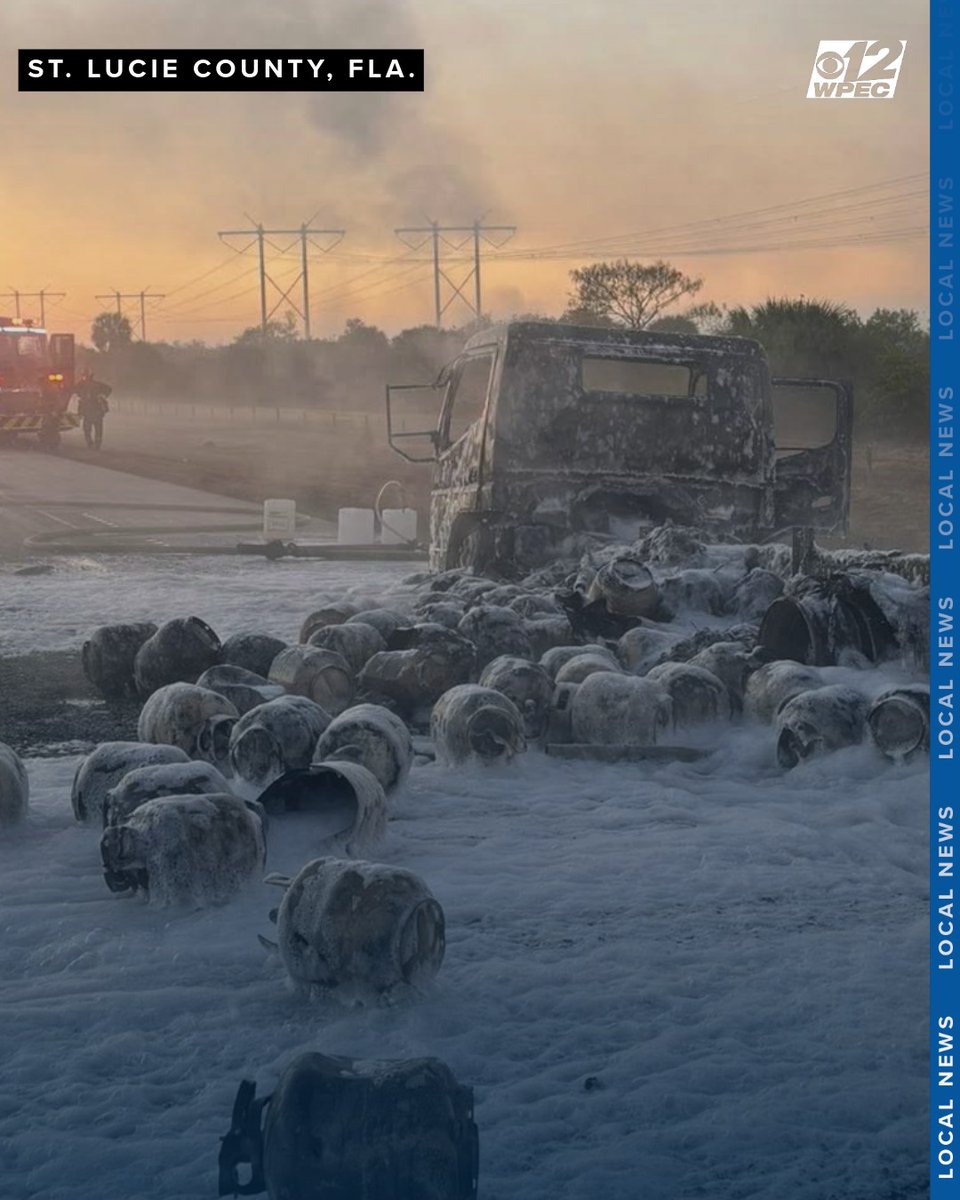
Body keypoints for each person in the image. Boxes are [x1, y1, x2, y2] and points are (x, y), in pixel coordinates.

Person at [75, 369, 112, 449]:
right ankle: (94, 444)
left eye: (84, 376)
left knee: (91, 429)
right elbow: (109, 389)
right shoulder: (87, 385)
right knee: (94, 429)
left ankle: (93, 443)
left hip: (93, 411)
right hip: (93, 411)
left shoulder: (89, 385)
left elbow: (109, 389)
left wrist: (102, 396)